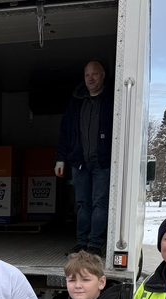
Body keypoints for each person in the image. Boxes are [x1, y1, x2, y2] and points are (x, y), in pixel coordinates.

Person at [54, 60, 113, 257]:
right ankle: (81, 243)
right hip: (79, 162)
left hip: (102, 162)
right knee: (82, 204)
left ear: (102, 75)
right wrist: (60, 158)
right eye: (87, 75)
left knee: (99, 204)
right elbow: (66, 131)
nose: (90, 78)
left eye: (94, 74)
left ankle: (95, 244)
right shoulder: (76, 100)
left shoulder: (111, 99)